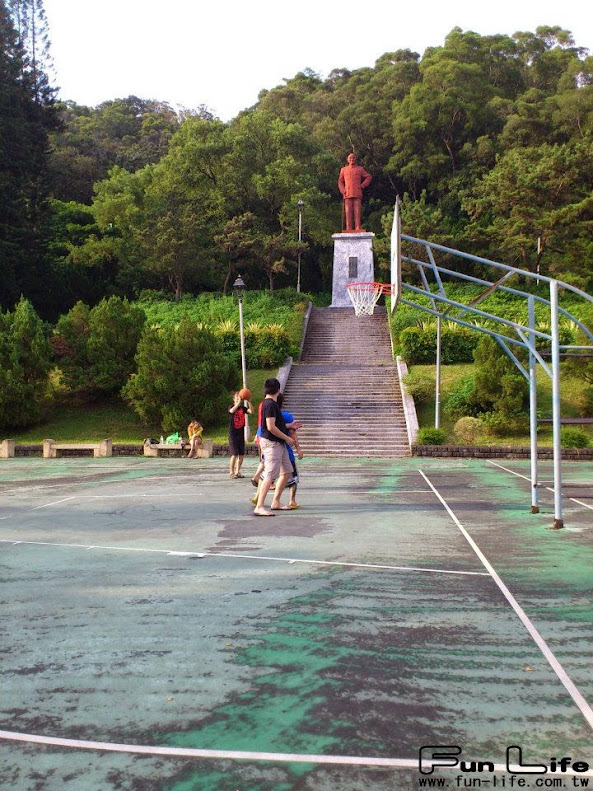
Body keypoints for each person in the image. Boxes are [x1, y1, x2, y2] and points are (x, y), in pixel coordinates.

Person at [253, 378, 295, 517]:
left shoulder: (271, 404)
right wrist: (287, 437)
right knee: (270, 476)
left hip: (278, 443)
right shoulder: (270, 404)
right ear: (278, 389)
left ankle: (275, 502)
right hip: (272, 443)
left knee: (287, 471)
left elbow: (274, 424)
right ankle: (259, 506)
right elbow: (270, 427)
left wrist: (290, 426)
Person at [337, 152, 372, 232]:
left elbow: (368, 177)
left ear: (355, 159)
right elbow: (340, 181)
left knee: (357, 210)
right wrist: (342, 190)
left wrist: (362, 185)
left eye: (353, 158)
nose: (352, 159)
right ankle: (348, 227)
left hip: (357, 192)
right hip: (347, 193)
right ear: (347, 160)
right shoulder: (344, 170)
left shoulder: (360, 169)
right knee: (348, 211)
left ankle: (357, 227)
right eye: (350, 158)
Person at [228, 391, 253, 478]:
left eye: (239, 397)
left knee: (241, 455)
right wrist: (238, 403)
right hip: (233, 434)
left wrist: (249, 401)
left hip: (241, 434)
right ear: (233, 399)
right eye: (236, 397)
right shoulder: (231, 406)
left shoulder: (243, 408)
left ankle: (237, 472)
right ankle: (231, 472)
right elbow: (231, 411)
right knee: (234, 454)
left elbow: (251, 411)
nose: (238, 398)